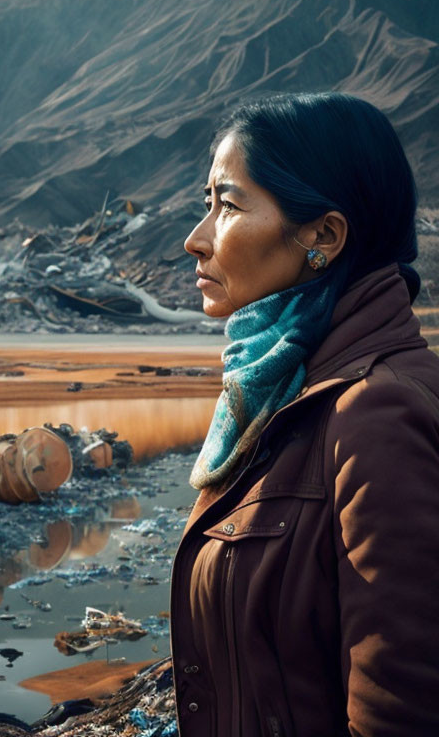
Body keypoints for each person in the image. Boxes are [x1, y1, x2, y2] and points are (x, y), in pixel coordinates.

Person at [170, 92, 439, 737]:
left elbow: (399, 713)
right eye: (206, 205)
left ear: (323, 236)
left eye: (228, 206)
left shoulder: (376, 415)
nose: (195, 239)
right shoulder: (287, 388)